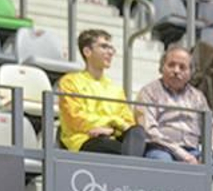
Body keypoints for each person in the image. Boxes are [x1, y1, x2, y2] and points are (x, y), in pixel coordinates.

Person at [59, 29, 149, 157]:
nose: (110, 52)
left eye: (111, 48)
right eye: (104, 47)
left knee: (137, 131)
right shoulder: (70, 82)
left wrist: (111, 130)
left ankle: (130, 162)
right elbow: (74, 118)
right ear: (87, 52)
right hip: (84, 139)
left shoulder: (115, 88)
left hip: (113, 138)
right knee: (127, 151)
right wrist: (112, 122)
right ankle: (132, 163)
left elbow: (128, 122)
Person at [137, 45, 213, 166]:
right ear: (162, 67)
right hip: (161, 150)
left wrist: (209, 154)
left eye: (182, 67)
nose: (176, 71)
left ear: (190, 72)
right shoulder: (148, 92)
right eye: (171, 65)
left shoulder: (198, 97)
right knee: (164, 162)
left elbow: (212, 130)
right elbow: (149, 131)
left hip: (194, 152)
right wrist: (183, 155)